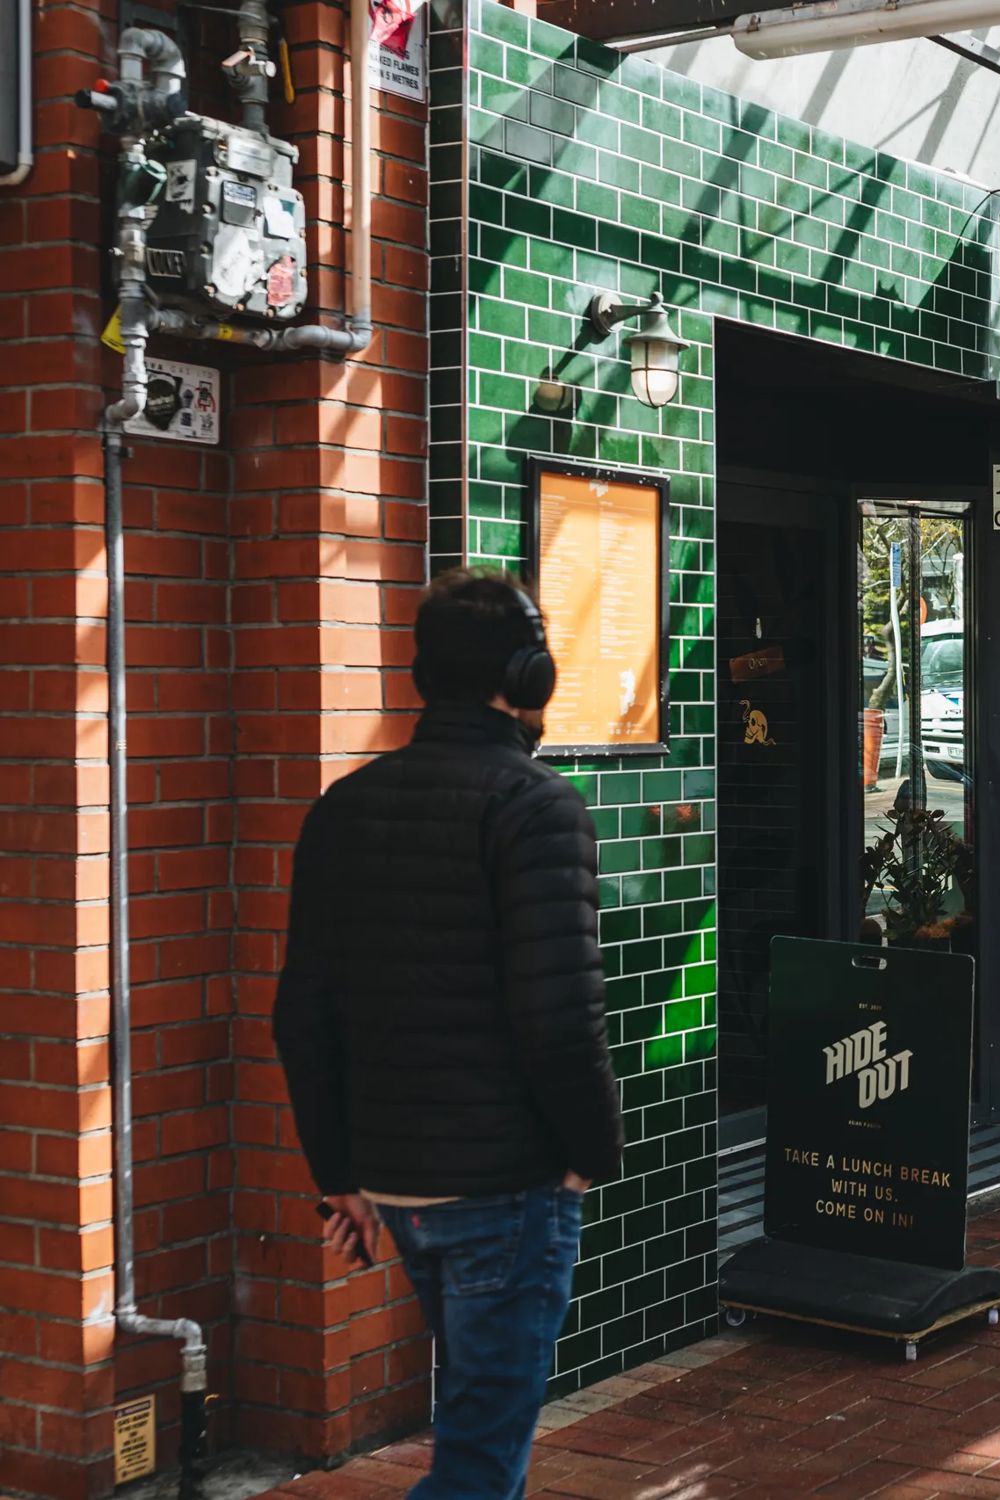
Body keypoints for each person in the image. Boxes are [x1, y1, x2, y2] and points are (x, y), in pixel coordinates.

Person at [273, 567, 623, 1499]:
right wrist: (590, 1156)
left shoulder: (341, 808)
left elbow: (301, 1013)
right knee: (478, 1456)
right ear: (530, 675)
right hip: (507, 1189)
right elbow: (560, 1021)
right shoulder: (537, 806)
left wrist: (338, 1175)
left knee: (475, 1438)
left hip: (394, 1184)